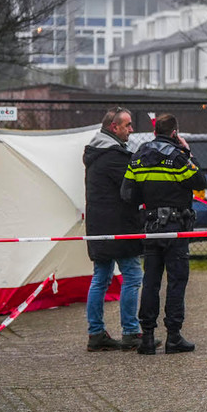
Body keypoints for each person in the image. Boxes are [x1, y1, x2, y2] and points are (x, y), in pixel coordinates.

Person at [121, 113, 206, 355]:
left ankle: (147, 337)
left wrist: (148, 203)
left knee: (151, 281)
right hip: (176, 229)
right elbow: (200, 181)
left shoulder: (139, 157)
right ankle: (173, 337)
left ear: (155, 131)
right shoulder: (178, 158)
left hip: (151, 229)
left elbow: (127, 194)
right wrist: (189, 153)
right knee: (177, 281)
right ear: (174, 133)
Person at [83, 107, 147, 352]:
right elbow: (132, 187)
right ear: (114, 127)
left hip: (98, 226)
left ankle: (96, 332)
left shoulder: (96, 153)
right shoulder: (114, 156)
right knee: (132, 275)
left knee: (100, 278)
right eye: (128, 125)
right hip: (119, 226)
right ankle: (131, 331)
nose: (131, 129)